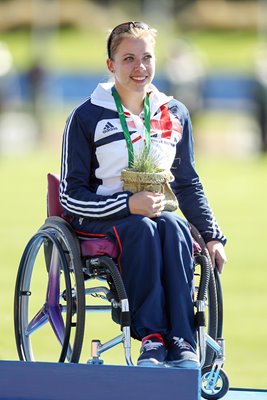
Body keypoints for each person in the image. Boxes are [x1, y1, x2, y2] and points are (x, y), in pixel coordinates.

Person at [59, 21, 227, 368]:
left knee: (177, 228)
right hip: (102, 218)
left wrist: (211, 236)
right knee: (143, 229)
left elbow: (187, 182)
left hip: (156, 215)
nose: (140, 68)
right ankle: (151, 338)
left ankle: (182, 340)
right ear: (111, 65)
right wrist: (127, 204)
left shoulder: (173, 111)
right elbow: (70, 194)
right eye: (128, 59)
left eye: (147, 58)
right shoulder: (87, 115)